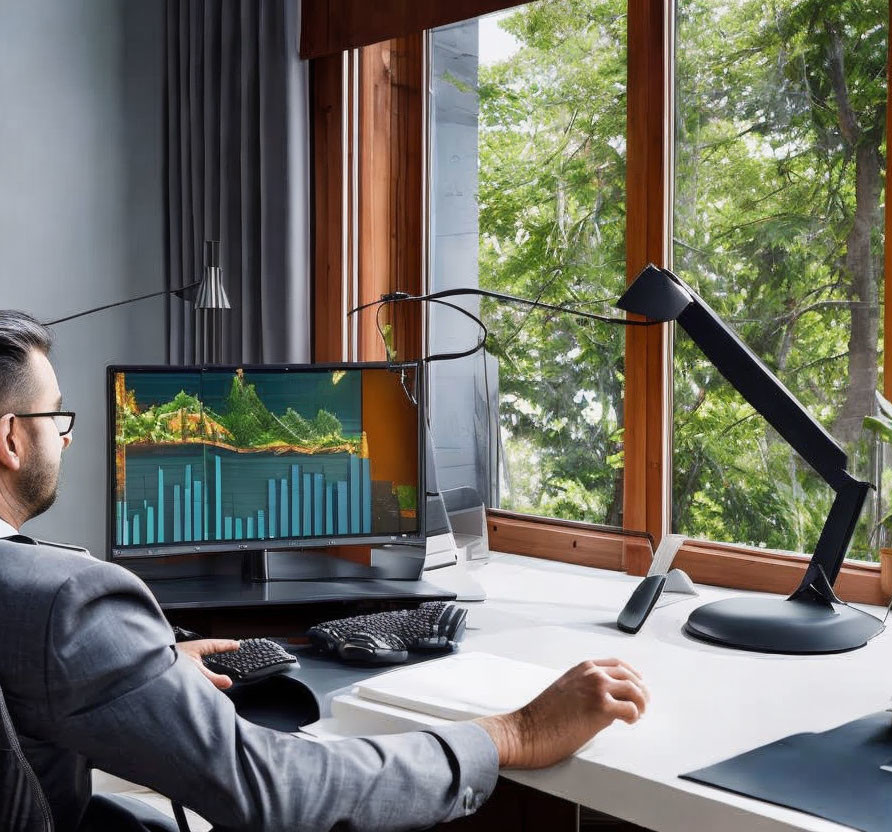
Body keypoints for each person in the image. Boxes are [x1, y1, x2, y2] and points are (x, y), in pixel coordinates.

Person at [0, 310, 650, 832]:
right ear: (11, 439)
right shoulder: (63, 602)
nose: (66, 435)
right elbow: (275, 791)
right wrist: (514, 731)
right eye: (57, 415)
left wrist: (145, 669)